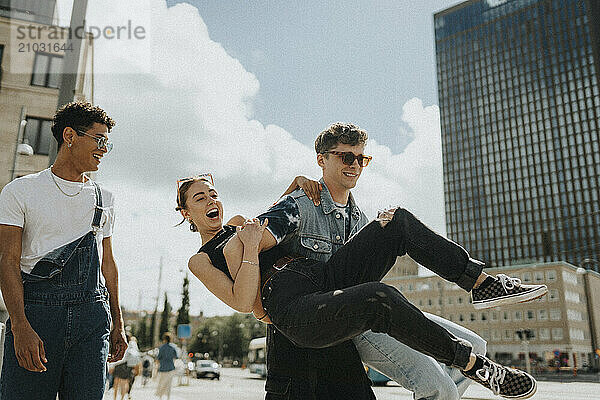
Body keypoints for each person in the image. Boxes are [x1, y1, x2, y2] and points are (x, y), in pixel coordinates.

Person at [254, 122, 546, 400]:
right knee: (439, 386)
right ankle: (466, 366)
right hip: (325, 312)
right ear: (322, 160)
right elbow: (254, 245)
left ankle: (481, 283)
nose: (354, 165)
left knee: (399, 221)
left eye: (360, 158)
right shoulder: (300, 203)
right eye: (345, 157)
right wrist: (261, 310)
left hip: (358, 303)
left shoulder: (359, 220)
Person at [178, 177, 540, 399]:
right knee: (378, 297)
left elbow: (277, 217)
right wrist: (250, 248)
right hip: (290, 305)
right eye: (200, 199)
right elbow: (244, 302)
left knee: (394, 221)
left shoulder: (240, 224)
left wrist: (295, 184)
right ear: (186, 214)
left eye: (212, 194)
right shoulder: (202, 259)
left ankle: (481, 282)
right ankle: (475, 365)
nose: (211, 201)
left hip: (319, 275)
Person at [0, 101, 127, 399]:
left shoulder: (104, 198)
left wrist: (117, 322)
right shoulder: (21, 190)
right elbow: (7, 261)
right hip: (37, 317)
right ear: (69, 136)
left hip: (91, 318)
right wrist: (19, 326)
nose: (104, 148)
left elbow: (108, 264)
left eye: (107, 141)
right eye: (99, 139)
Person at [155, 332, 179, 400]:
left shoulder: (162, 348)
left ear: (164, 339)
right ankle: (168, 397)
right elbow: (176, 357)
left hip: (162, 368)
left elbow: (158, 358)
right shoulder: (173, 347)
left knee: (162, 383)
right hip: (171, 368)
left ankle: (160, 397)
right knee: (169, 384)